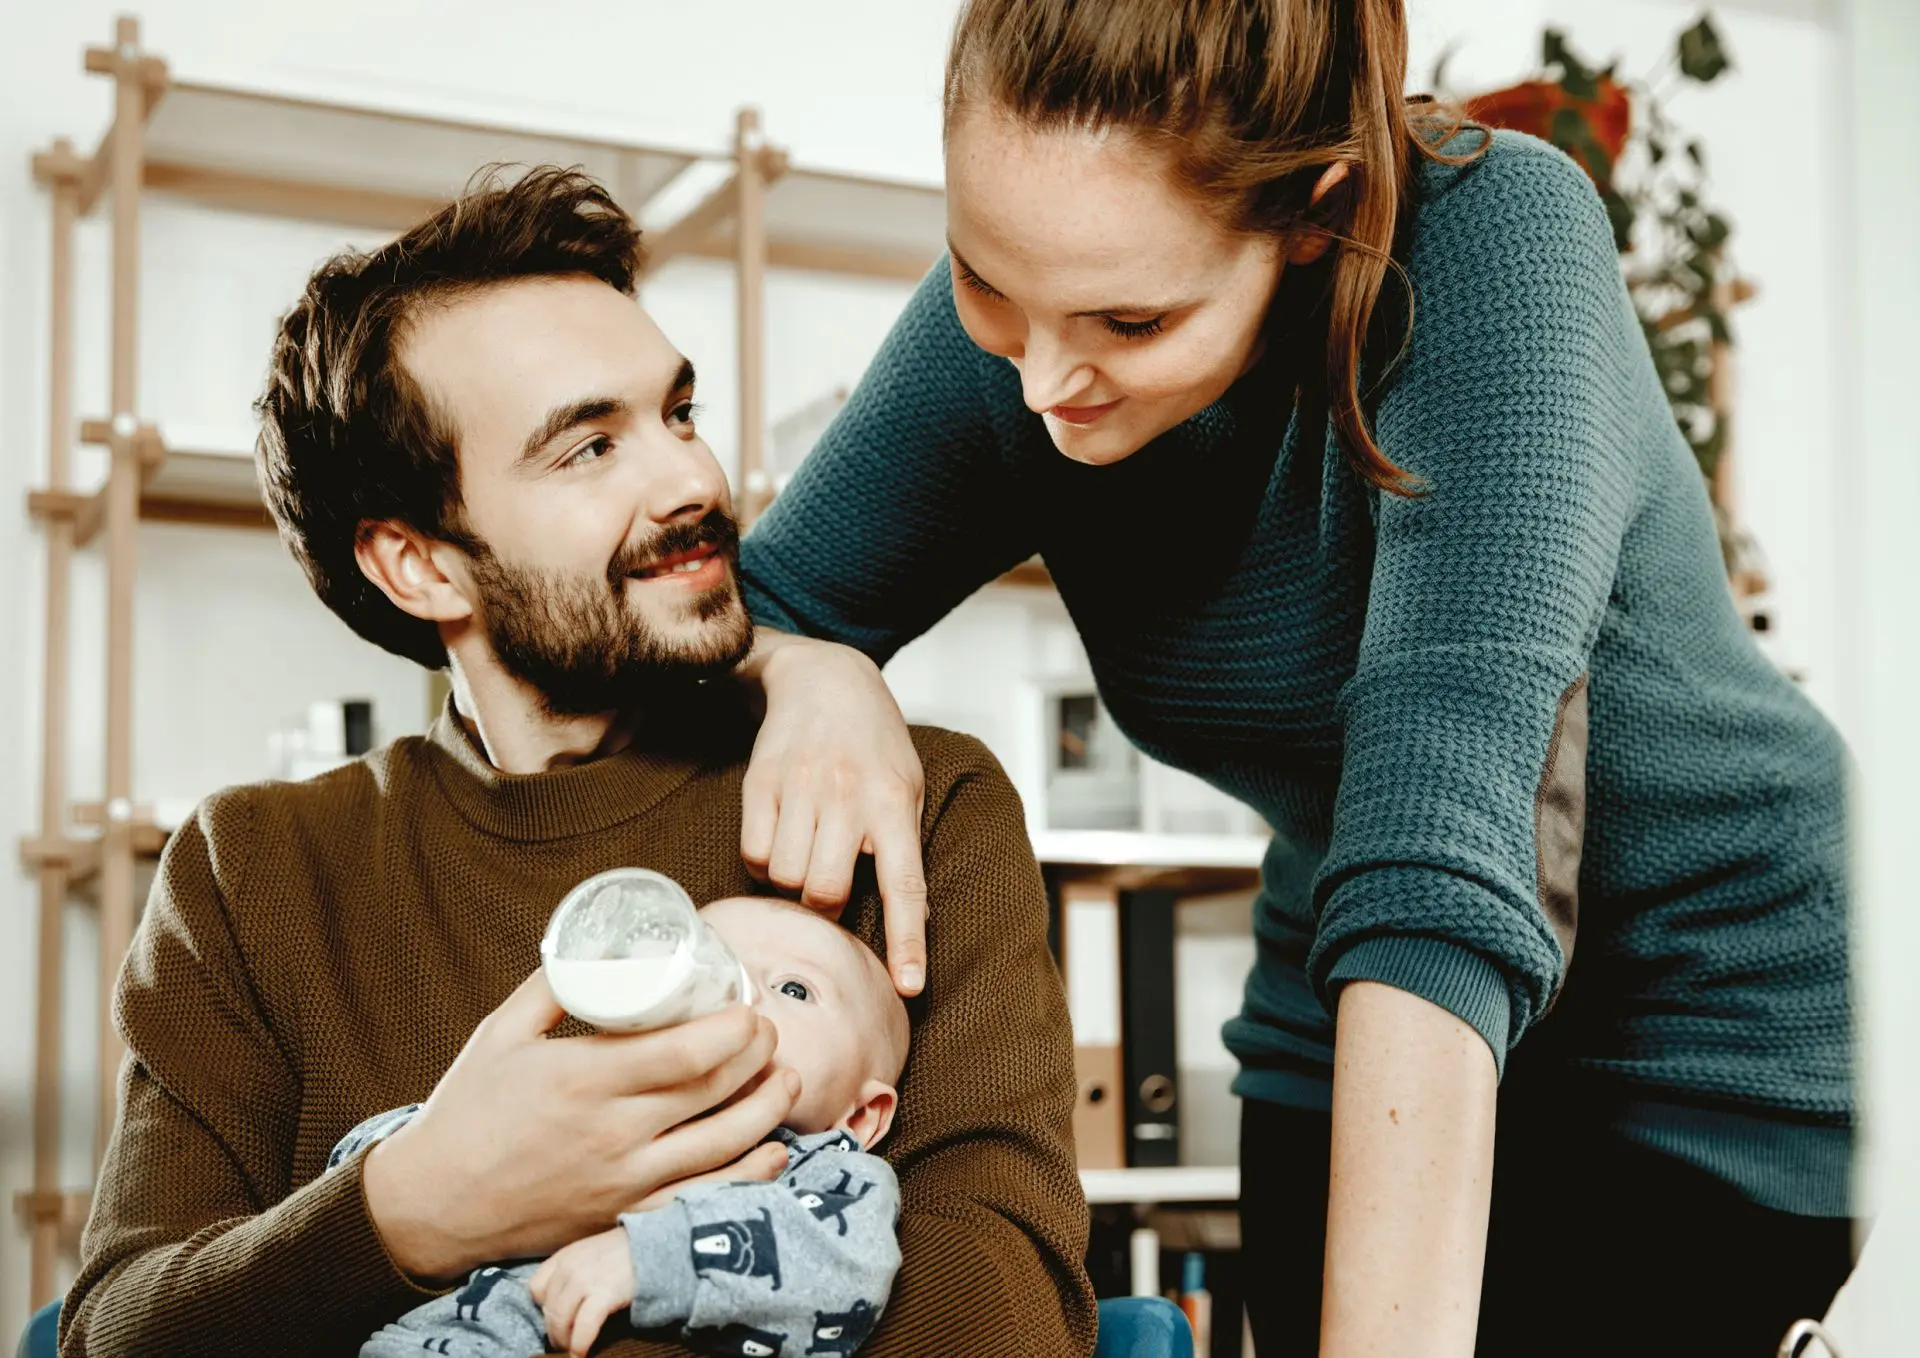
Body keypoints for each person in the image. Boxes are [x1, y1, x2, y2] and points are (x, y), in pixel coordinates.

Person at [731, 1, 1856, 1353]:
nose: (1037, 380)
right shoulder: (1036, 325)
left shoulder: (1496, 243)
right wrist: (817, 670)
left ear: (1318, 215)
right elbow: (760, 606)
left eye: (1130, 320)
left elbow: (1438, 828)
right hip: (1344, 1018)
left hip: (1696, 1032)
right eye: (984, 283)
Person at [59, 168, 1093, 1358]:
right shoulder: (249, 872)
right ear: (419, 564)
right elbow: (113, 1333)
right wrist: (412, 1207)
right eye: (591, 445)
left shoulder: (906, 798)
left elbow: (1006, 1312)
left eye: (680, 413)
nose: (694, 480)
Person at [343, 896, 911, 1358]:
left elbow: (846, 1267)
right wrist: (414, 1156)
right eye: (708, 966)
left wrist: (645, 1259)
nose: (738, 994)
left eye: (793, 989)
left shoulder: (822, 1173)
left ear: (861, 1116)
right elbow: (395, 1163)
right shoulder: (584, 1105)